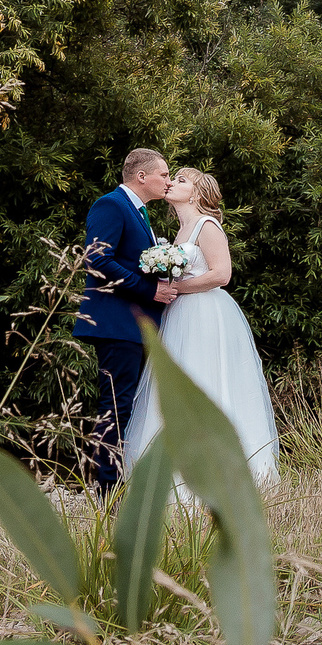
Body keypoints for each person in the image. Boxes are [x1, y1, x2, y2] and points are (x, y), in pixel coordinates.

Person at [126, 168, 278, 483]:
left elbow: (222, 274)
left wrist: (178, 288)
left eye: (181, 180)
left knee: (205, 382)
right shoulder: (180, 232)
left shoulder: (207, 226)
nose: (171, 182)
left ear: (197, 193)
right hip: (180, 316)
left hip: (205, 315)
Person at [75, 147, 177, 490]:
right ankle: (108, 492)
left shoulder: (140, 213)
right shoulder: (111, 205)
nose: (168, 180)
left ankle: (116, 485)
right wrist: (150, 292)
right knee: (115, 408)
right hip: (116, 323)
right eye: (163, 174)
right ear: (142, 177)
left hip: (133, 326)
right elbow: (97, 260)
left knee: (124, 405)